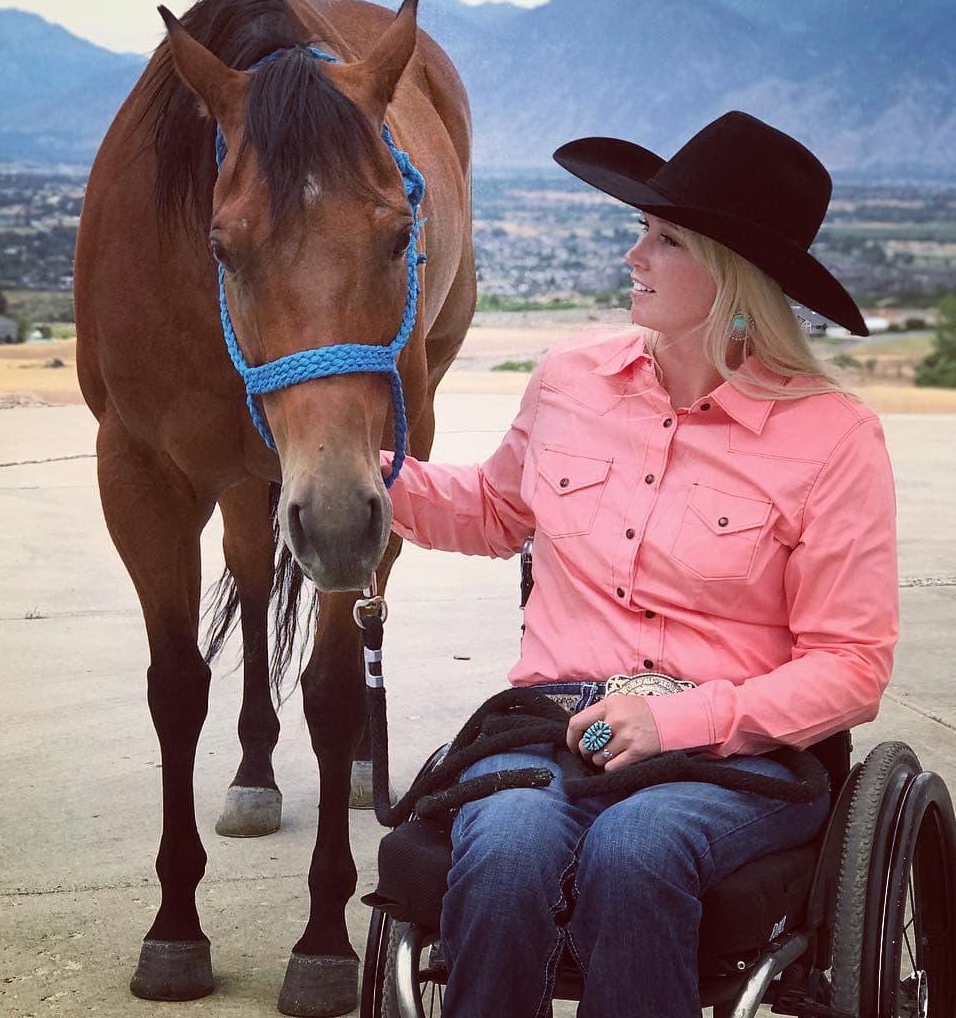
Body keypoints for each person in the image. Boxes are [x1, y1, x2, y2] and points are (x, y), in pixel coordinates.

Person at [380, 111, 899, 1018]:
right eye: (639, 231)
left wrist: (680, 721)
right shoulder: (570, 383)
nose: (634, 257)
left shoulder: (835, 438)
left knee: (636, 849)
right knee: (504, 850)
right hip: (555, 730)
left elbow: (852, 668)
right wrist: (364, 478)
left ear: (737, 281)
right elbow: (498, 511)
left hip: (734, 758)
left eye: (665, 240)